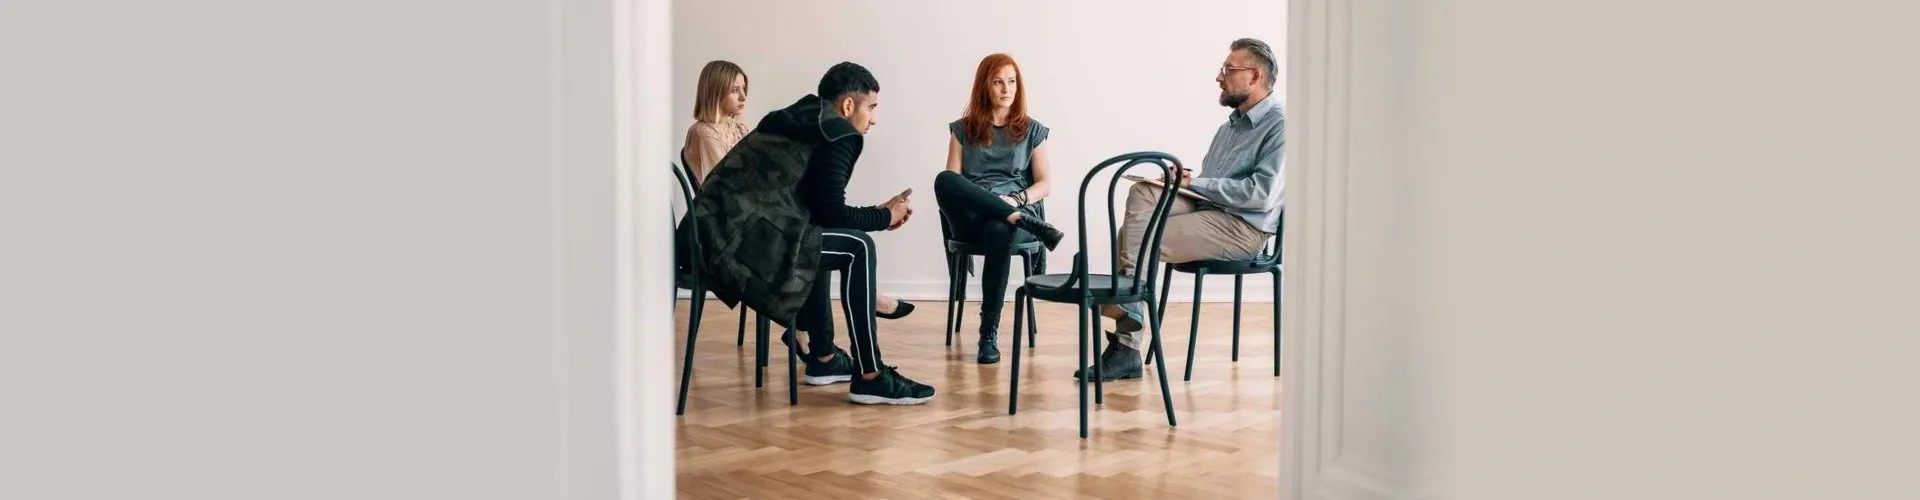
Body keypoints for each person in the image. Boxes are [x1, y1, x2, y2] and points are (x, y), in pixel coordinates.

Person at [687, 62, 935, 405]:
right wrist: (881, 217)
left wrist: (881, 214)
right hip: (740, 248)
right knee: (858, 247)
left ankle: (823, 358)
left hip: (712, 237)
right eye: (872, 107)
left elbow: (818, 210)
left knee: (819, 237)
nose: (874, 119)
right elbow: (829, 211)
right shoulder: (841, 133)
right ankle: (871, 375)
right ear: (848, 106)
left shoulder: (801, 116)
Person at [1077, 38, 1286, 382]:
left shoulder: (1280, 125)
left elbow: (1261, 195)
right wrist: (1185, 181)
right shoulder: (1230, 126)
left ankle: (1126, 340)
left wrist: (1194, 185)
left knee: (1135, 238)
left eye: (1228, 70)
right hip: (1211, 209)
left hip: (1242, 227)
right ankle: (1129, 312)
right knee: (1143, 192)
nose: (1219, 77)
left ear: (1253, 76)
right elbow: (1212, 182)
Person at [681, 60, 915, 319]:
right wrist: (880, 217)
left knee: (813, 230)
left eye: (744, 88)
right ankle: (815, 340)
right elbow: (730, 192)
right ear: (714, 91)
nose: (744, 96)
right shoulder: (703, 134)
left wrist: (876, 212)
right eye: (735, 89)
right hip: (728, 234)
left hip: (750, 222)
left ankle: (815, 340)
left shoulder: (742, 128)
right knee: (815, 238)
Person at [932, 53, 1065, 364]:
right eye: (998, 82)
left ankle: (987, 333)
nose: (1007, 89)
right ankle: (1020, 219)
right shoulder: (962, 130)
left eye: (1012, 81)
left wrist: (1017, 201)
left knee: (1000, 227)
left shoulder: (1033, 130)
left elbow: (1045, 184)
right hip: (969, 218)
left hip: (1011, 217)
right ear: (984, 87)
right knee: (943, 179)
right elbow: (953, 182)